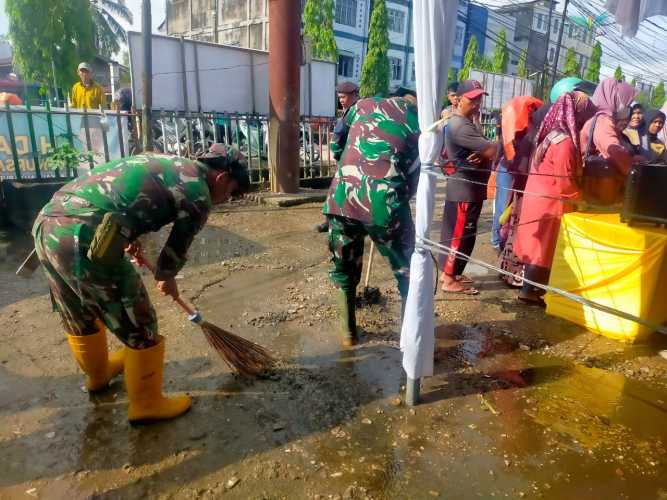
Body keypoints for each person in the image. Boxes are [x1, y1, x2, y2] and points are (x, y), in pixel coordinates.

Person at [32, 145, 250, 422]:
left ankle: (98, 376)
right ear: (221, 178)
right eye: (231, 192)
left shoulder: (164, 161)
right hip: (84, 234)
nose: (226, 199)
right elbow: (176, 249)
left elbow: (123, 199)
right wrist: (167, 277)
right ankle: (146, 405)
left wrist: (126, 238)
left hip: (48, 224)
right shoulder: (199, 193)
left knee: (78, 310)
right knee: (139, 319)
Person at [323, 91, 419, 346]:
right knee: (408, 270)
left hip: (340, 197)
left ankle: (348, 335)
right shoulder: (418, 118)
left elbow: (336, 143)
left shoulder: (360, 106)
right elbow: (415, 173)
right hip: (384, 202)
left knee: (344, 268)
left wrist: (349, 171)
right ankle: (409, 340)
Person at [513, 92, 595, 305]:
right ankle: (530, 292)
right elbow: (565, 180)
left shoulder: (551, 134)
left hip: (538, 198)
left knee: (535, 247)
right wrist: (583, 199)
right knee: (541, 250)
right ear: (577, 112)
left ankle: (529, 289)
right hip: (550, 202)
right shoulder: (565, 142)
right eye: (585, 112)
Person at [439, 80, 498, 295]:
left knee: (466, 235)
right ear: (459, 99)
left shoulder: (468, 122)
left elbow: (485, 148)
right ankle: (448, 278)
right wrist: (489, 149)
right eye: (472, 99)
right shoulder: (460, 125)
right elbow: (492, 150)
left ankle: (454, 273)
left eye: (479, 99)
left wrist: (484, 150)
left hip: (470, 188)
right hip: (464, 189)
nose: (477, 104)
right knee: (459, 235)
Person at [580, 79, 638, 203]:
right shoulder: (604, 122)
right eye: (627, 105)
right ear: (615, 100)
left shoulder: (600, 119)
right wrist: (636, 169)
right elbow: (614, 152)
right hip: (602, 190)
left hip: (601, 187)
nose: (628, 109)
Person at [315, 81, 360, 233]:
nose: (341, 100)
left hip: (353, 160)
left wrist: (340, 154)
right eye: (339, 97)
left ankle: (344, 223)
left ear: (354, 95)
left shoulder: (357, 112)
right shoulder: (349, 111)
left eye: (343, 97)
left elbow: (342, 136)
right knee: (336, 192)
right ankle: (330, 221)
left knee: (342, 192)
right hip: (345, 160)